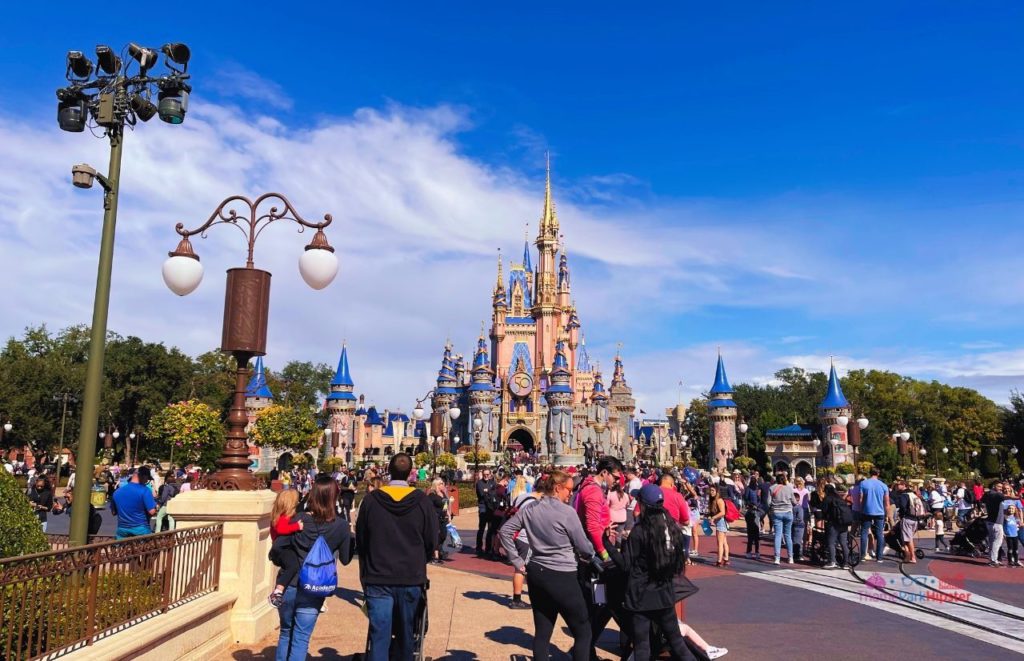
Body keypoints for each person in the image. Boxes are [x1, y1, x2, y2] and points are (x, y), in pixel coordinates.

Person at [499, 470, 595, 661]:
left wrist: (518, 561)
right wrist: (590, 554)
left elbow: (505, 531)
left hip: (537, 572)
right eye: (568, 489)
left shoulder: (531, 509)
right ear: (557, 488)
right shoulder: (567, 512)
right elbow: (584, 547)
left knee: (543, 632)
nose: (571, 493)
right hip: (562, 574)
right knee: (583, 631)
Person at [356, 453, 437, 661]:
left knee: (379, 635)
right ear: (411, 474)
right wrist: (420, 559)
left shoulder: (371, 501)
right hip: (410, 576)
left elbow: (362, 540)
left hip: (378, 577)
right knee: (406, 634)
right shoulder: (422, 502)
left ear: (388, 471)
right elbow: (431, 540)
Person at [613, 484, 697, 661]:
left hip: (641, 596)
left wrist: (608, 544)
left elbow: (625, 565)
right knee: (677, 643)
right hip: (664, 593)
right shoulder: (671, 528)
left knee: (642, 646)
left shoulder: (640, 531)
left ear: (643, 505)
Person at [274, 475, 353, 661]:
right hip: (314, 586)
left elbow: (278, 546)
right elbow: (346, 559)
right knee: (301, 638)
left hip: (289, 584)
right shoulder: (341, 526)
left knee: (286, 632)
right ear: (335, 497)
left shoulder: (299, 519)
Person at [268, 489, 304, 608]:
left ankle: (279, 590)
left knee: (290, 567)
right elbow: (281, 530)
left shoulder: (277, 515)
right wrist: (297, 526)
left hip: (279, 548)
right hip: (282, 549)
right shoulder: (283, 517)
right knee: (293, 566)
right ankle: (278, 591)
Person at [508, 488, 541, 609]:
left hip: (517, 535)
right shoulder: (533, 503)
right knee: (521, 569)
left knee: (520, 568)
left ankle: (517, 598)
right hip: (525, 537)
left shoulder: (522, 497)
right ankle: (516, 599)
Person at [111, 466, 157, 539]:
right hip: (141, 529)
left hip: (122, 529)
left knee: (122, 549)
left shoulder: (117, 492)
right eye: (147, 479)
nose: (146, 481)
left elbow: (113, 512)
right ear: (143, 476)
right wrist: (157, 507)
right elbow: (152, 512)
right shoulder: (145, 490)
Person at [858, 468, 891, 563]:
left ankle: (863, 555)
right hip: (880, 512)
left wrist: (861, 509)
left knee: (864, 532)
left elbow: (861, 499)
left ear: (870, 473)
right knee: (879, 533)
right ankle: (879, 557)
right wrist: (887, 515)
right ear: (878, 473)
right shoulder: (883, 485)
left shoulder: (863, 484)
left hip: (866, 511)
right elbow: (887, 502)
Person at [822, 483, 853, 569]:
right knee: (843, 542)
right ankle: (846, 563)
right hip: (844, 522)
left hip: (833, 523)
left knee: (831, 542)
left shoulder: (827, 498)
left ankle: (832, 561)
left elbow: (824, 511)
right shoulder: (839, 498)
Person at [892, 480, 922, 564]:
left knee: (907, 539)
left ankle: (911, 556)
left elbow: (903, 507)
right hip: (915, 519)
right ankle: (908, 555)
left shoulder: (904, 495)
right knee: (908, 538)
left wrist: (901, 515)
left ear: (903, 485)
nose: (897, 487)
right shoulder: (913, 494)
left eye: (898, 485)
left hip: (907, 518)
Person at [769, 473, 795, 565]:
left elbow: (768, 502)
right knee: (788, 535)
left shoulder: (772, 488)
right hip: (788, 512)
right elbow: (794, 501)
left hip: (777, 512)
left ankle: (777, 558)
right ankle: (790, 557)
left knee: (778, 535)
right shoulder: (789, 488)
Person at [982, 480, 1007, 567]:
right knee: (997, 542)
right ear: (993, 486)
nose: (1000, 489)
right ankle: (993, 560)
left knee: (992, 541)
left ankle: (992, 559)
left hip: (990, 521)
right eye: (999, 487)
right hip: (996, 522)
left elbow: (982, 502)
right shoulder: (995, 494)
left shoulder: (988, 494)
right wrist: (1018, 497)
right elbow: (1007, 497)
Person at [427, 478, 450, 565]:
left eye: (443, 483)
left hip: (443, 518)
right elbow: (428, 508)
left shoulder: (443, 494)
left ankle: (438, 551)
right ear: (436, 485)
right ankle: (435, 556)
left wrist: (448, 514)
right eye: (441, 483)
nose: (443, 485)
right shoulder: (432, 495)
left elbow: (445, 505)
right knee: (436, 536)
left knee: (443, 536)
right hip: (435, 518)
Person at [475, 468, 497, 558]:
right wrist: (489, 492)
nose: (486, 476)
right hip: (483, 507)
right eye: (484, 474)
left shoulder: (493, 483)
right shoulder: (479, 483)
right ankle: (479, 548)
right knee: (482, 528)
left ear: (490, 474)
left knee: (490, 529)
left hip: (491, 508)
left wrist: (488, 492)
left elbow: (494, 493)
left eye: (487, 474)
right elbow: (482, 494)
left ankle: (488, 548)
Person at [706, 484, 729, 566]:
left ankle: (719, 561)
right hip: (720, 522)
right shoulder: (713, 500)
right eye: (710, 490)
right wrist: (710, 516)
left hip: (721, 522)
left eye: (713, 490)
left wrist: (713, 518)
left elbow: (723, 512)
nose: (711, 492)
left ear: (717, 491)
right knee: (724, 542)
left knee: (720, 543)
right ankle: (726, 558)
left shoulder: (719, 500)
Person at [1003, 502, 1020, 567]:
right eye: (1009, 508)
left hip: (1015, 535)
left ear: (1015, 510)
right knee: (1010, 549)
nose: (1011, 510)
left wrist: (1018, 526)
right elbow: (1003, 525)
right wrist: (1004, 533)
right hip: (1008, 536)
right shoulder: (1005, 517)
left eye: (1012, 509)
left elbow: (1018, 524)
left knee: (1016, 549)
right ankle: (1010, 561)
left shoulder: (1015, 517)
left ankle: (1016, 560)